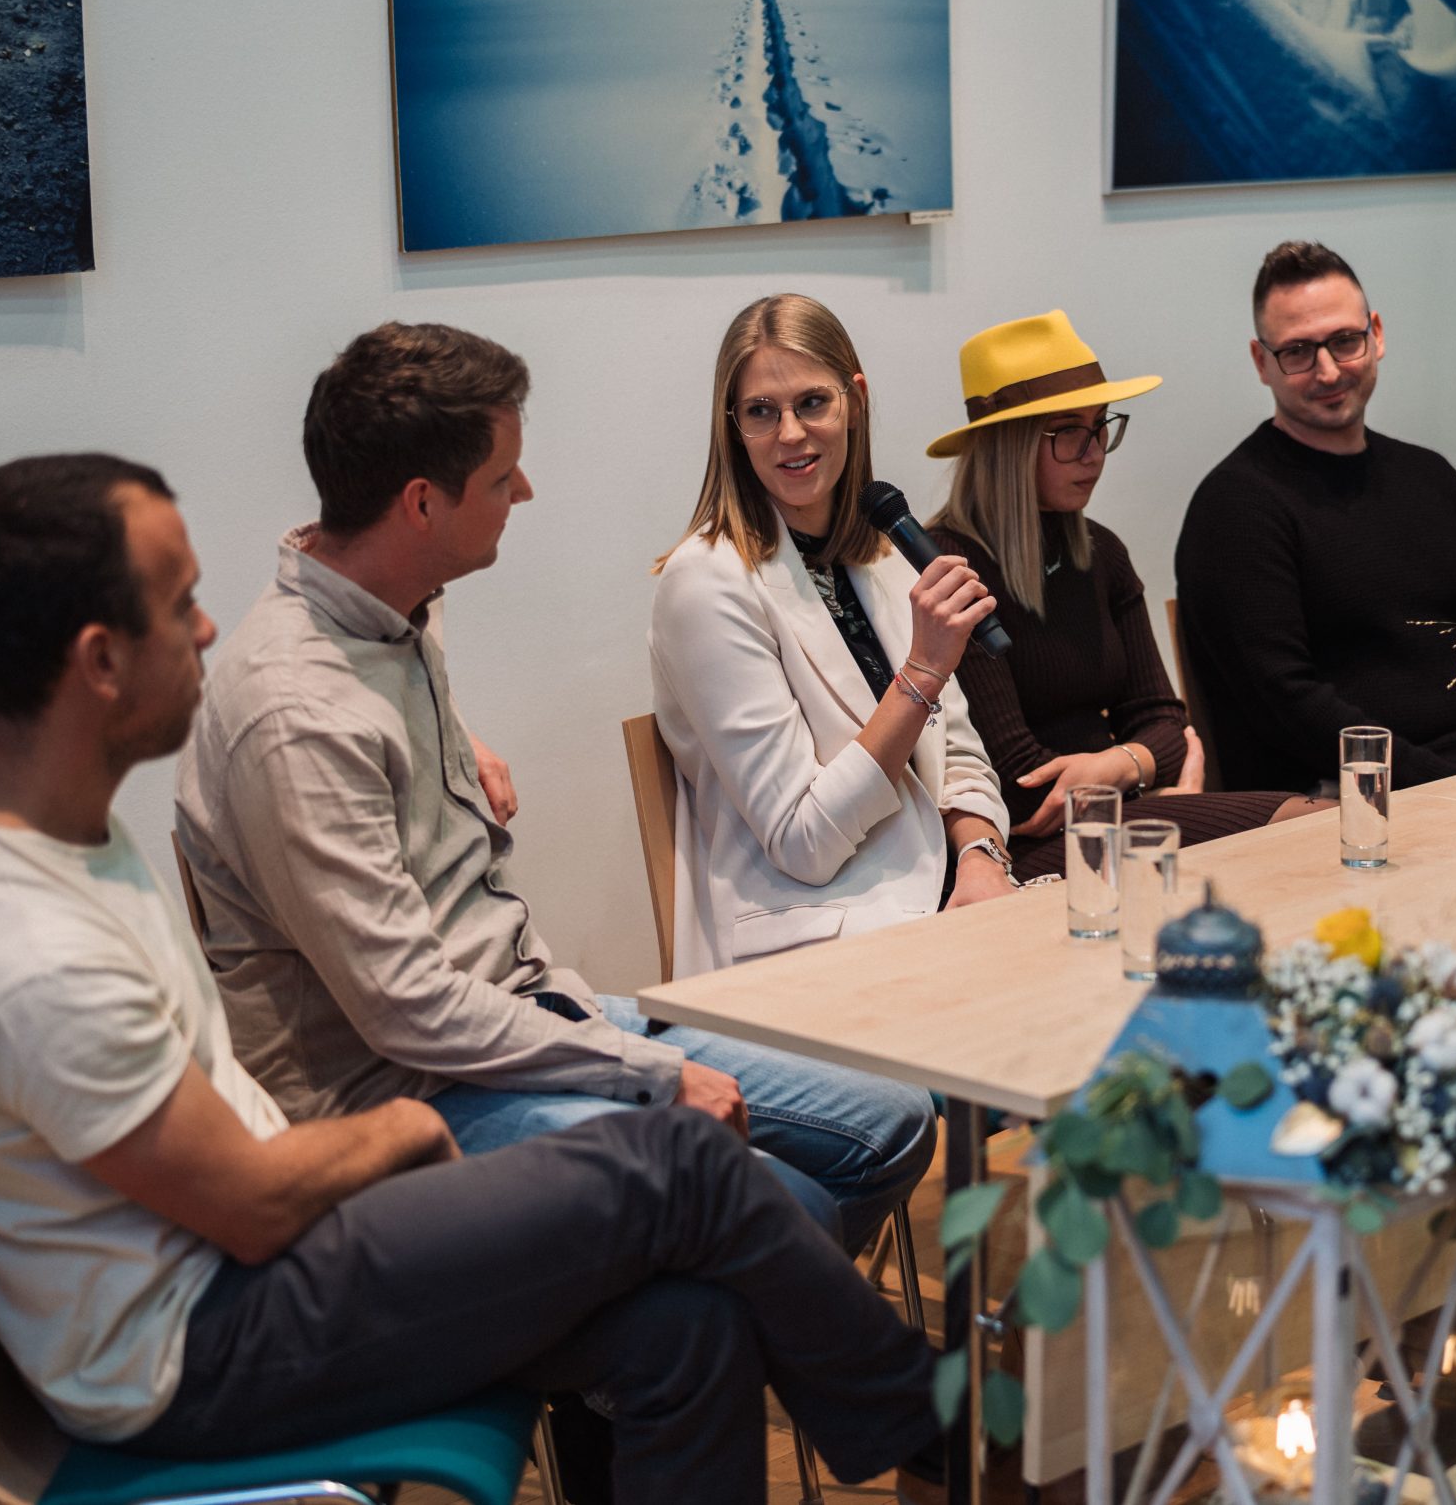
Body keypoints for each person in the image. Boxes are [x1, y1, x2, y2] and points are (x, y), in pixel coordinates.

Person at [0, 454, 936, 1503]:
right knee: (685, 1165)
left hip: (243, 1261)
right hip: (200, 1345)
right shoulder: (25, 945)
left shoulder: (14, 810)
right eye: (179, 603)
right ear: (100, 660)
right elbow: (250, 1205)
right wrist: (405, 1133)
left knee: (689, 1327)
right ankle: (949, 1437)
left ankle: (928, 1431)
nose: (206, 628)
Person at [176, 322, 933, 1256]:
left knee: (890, 1122)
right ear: (422, 504)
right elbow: (410, 1012)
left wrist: (448, 744)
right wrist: (646, 1071)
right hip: (401, 1093)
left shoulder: (393, 609)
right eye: (502, 478)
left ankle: (691, 1303)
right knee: (770, 1205)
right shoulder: (294, 714)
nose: (524, 491)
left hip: (521, 1006)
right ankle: (702, 1299)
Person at [650, 294, 1017, 980]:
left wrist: (980, 856)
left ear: (856, 400)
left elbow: (960, 757)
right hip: (817, 936)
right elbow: (804, 842)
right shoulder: (705, 581)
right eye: (761, 411)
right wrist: (922, 672)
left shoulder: (880, 552)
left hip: (943, 899)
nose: (790, 433)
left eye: (812, 402)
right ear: (733, 428)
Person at [925, 310, 1317, 878]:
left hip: (1122, 810)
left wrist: (1117, 766)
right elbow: (1023, 787)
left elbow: (1169, 725)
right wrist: (1144, 779)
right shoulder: (951, 568)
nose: (1094, 452)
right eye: (1069, 432)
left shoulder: (1100, 551)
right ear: (1007, 446)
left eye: (1100, 426)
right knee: (1312, 827)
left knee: (1321, 826)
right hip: (1028, 844)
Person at [1175, 242, 1456, 797]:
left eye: (1344, 341)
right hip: (1336, 802)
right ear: (1262, 362)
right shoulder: (1235, 508)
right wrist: (1446, 786)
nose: (1328, 371)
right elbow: (1285, 704)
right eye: (1298, 352)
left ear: (1375, 334)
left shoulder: (1430, 477)